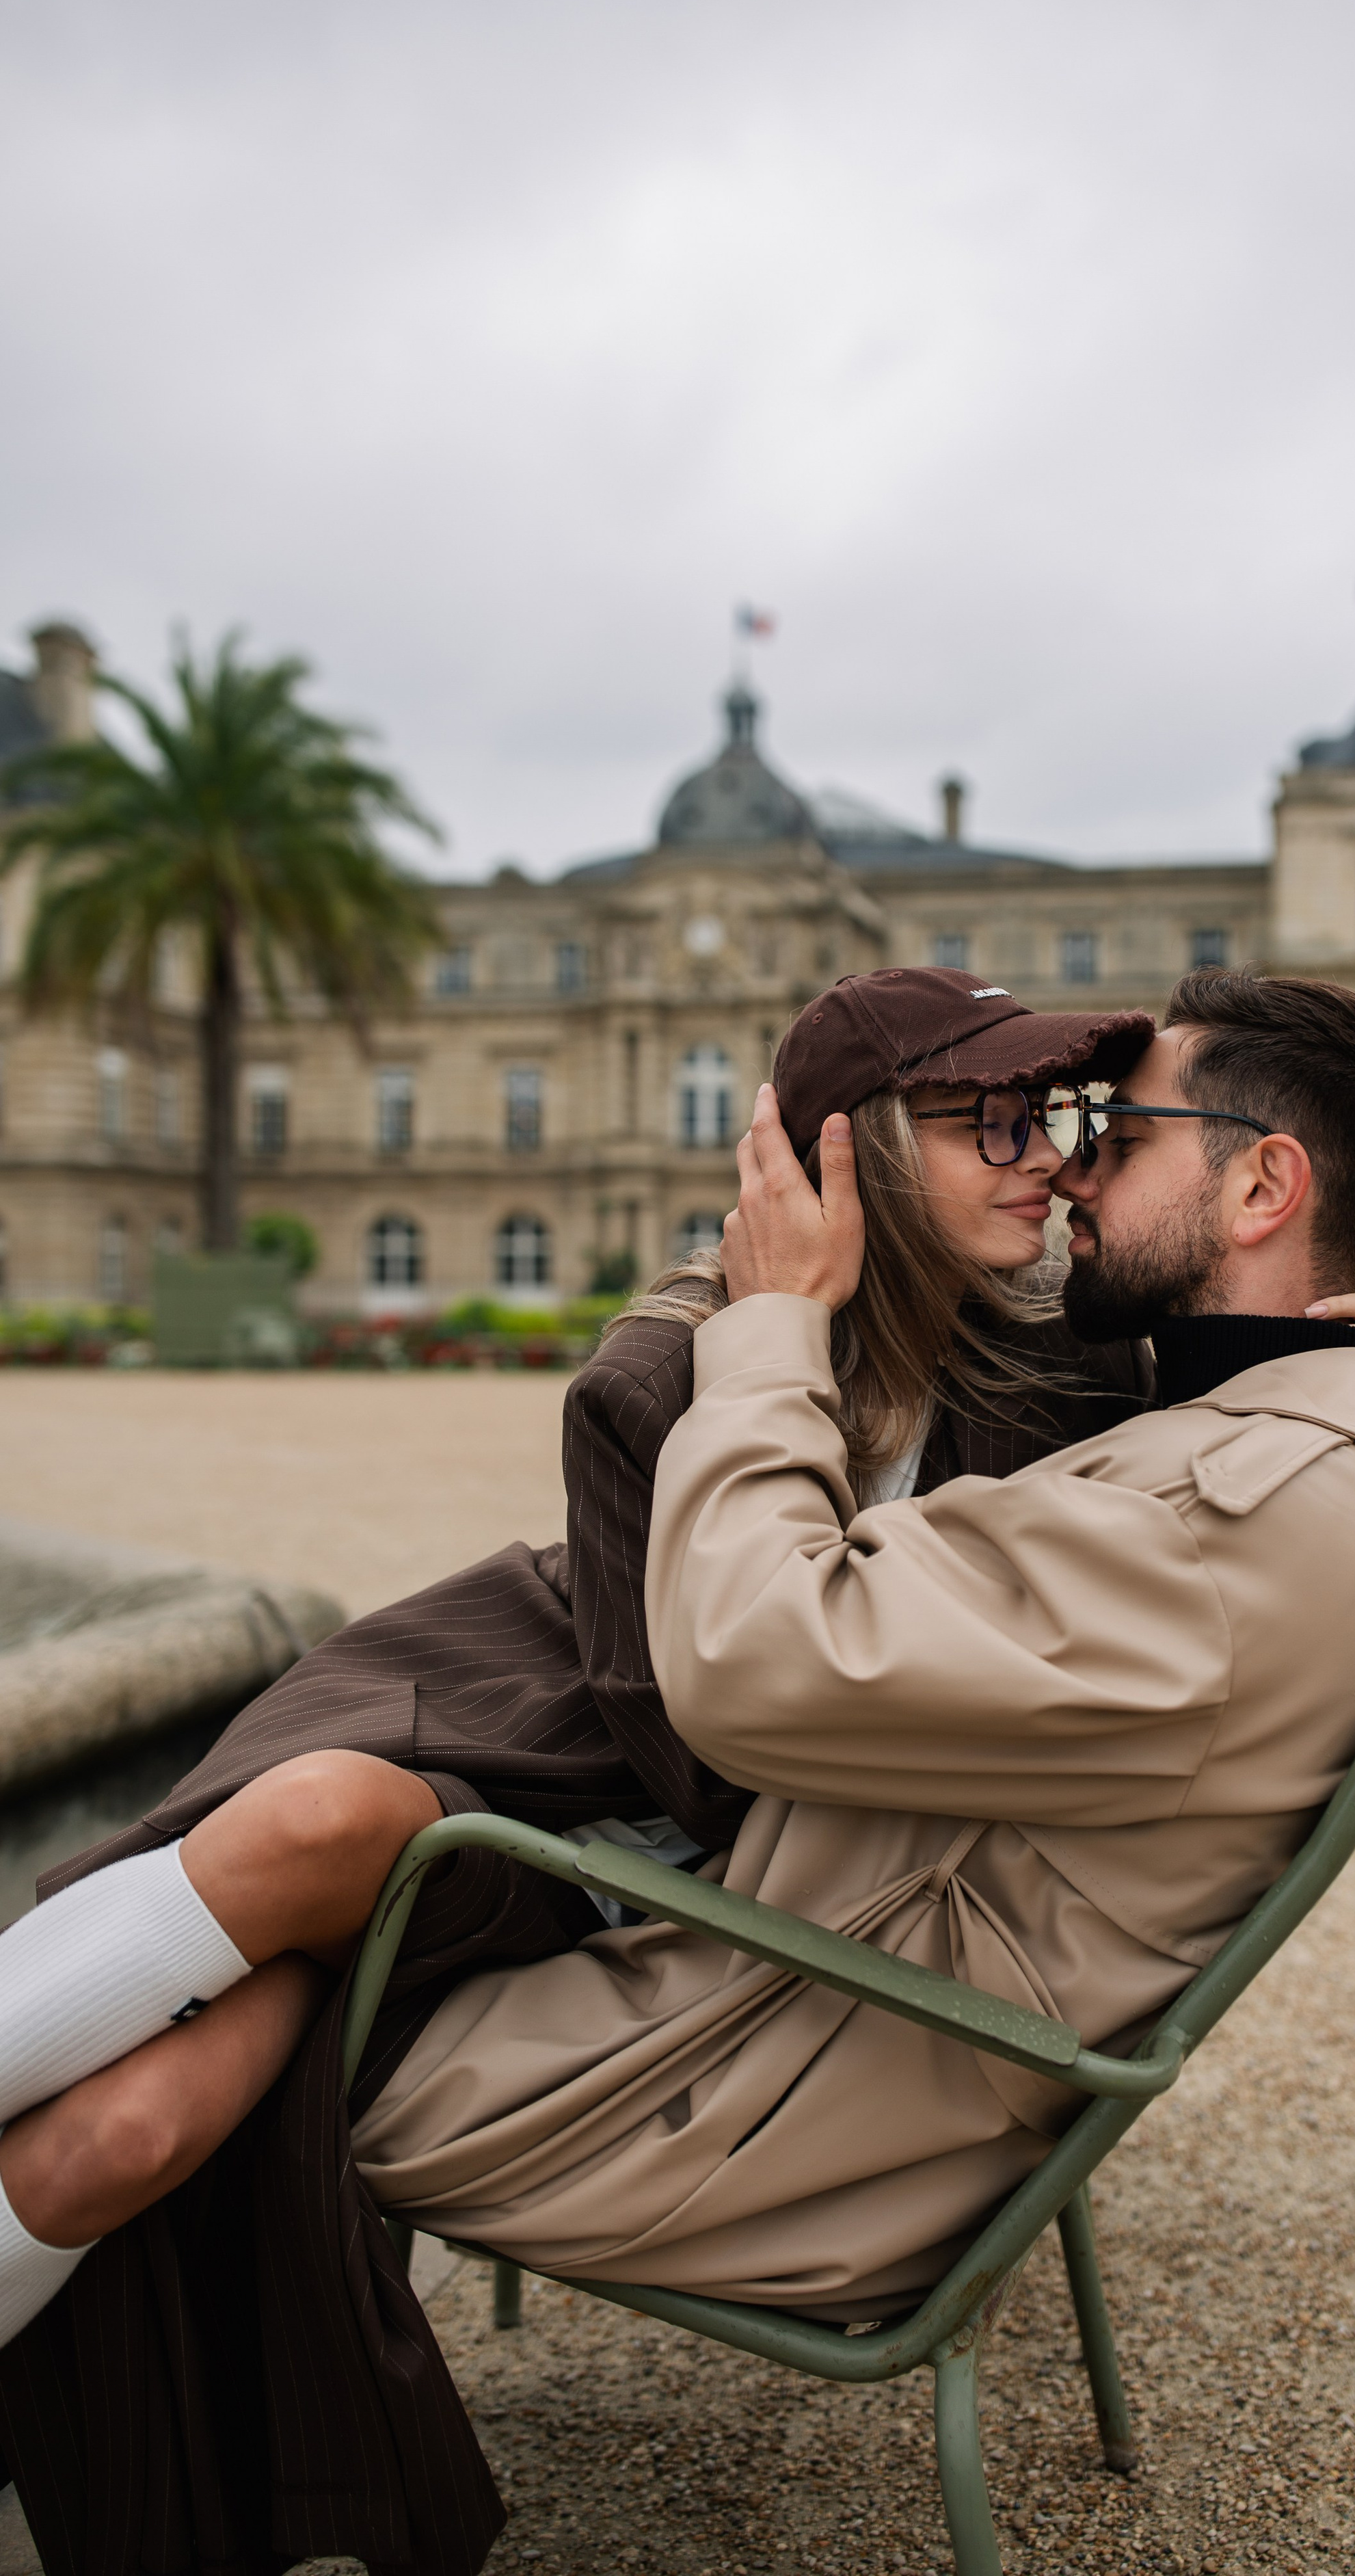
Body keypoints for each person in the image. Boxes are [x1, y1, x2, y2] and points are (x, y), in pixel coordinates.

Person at [0, 966, 1240, 2574]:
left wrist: (1313, 1335)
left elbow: (741, 1804)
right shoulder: (658, 1377)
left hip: (601, 1856)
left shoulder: (1052, 1377)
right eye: (988, 1118)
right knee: (309, 1822)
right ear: (841, 1156)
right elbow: (708, 1742)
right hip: (481, 1733)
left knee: (122, 2142)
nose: (1044, 1157)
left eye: (1052, 1117)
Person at [328, 972, 1355, 2467]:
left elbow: (741, 1666)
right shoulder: (1294, 1441)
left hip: (775, 2065)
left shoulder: (1207, 1522)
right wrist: (1302, 1355)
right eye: (1026, 1124)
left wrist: (775, 1328)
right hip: (855, 1971)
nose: (1068, 1163)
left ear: (1260, 1181)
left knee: (277, 2016)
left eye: (1113, 1132)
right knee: (295, 1851)